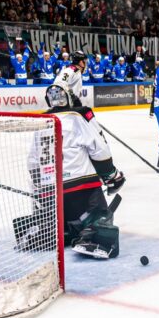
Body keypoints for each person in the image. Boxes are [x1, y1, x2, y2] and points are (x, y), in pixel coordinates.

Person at [38, 81, 125, 259]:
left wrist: (40, 191)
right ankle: (94, 235)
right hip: (81, 187)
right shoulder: (76, 117)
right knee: (100, 212)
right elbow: (98, 149)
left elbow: (33, 161)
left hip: (51, 191)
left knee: (63, 213)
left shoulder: (40, 122)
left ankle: (60, 228)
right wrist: (111, 175)